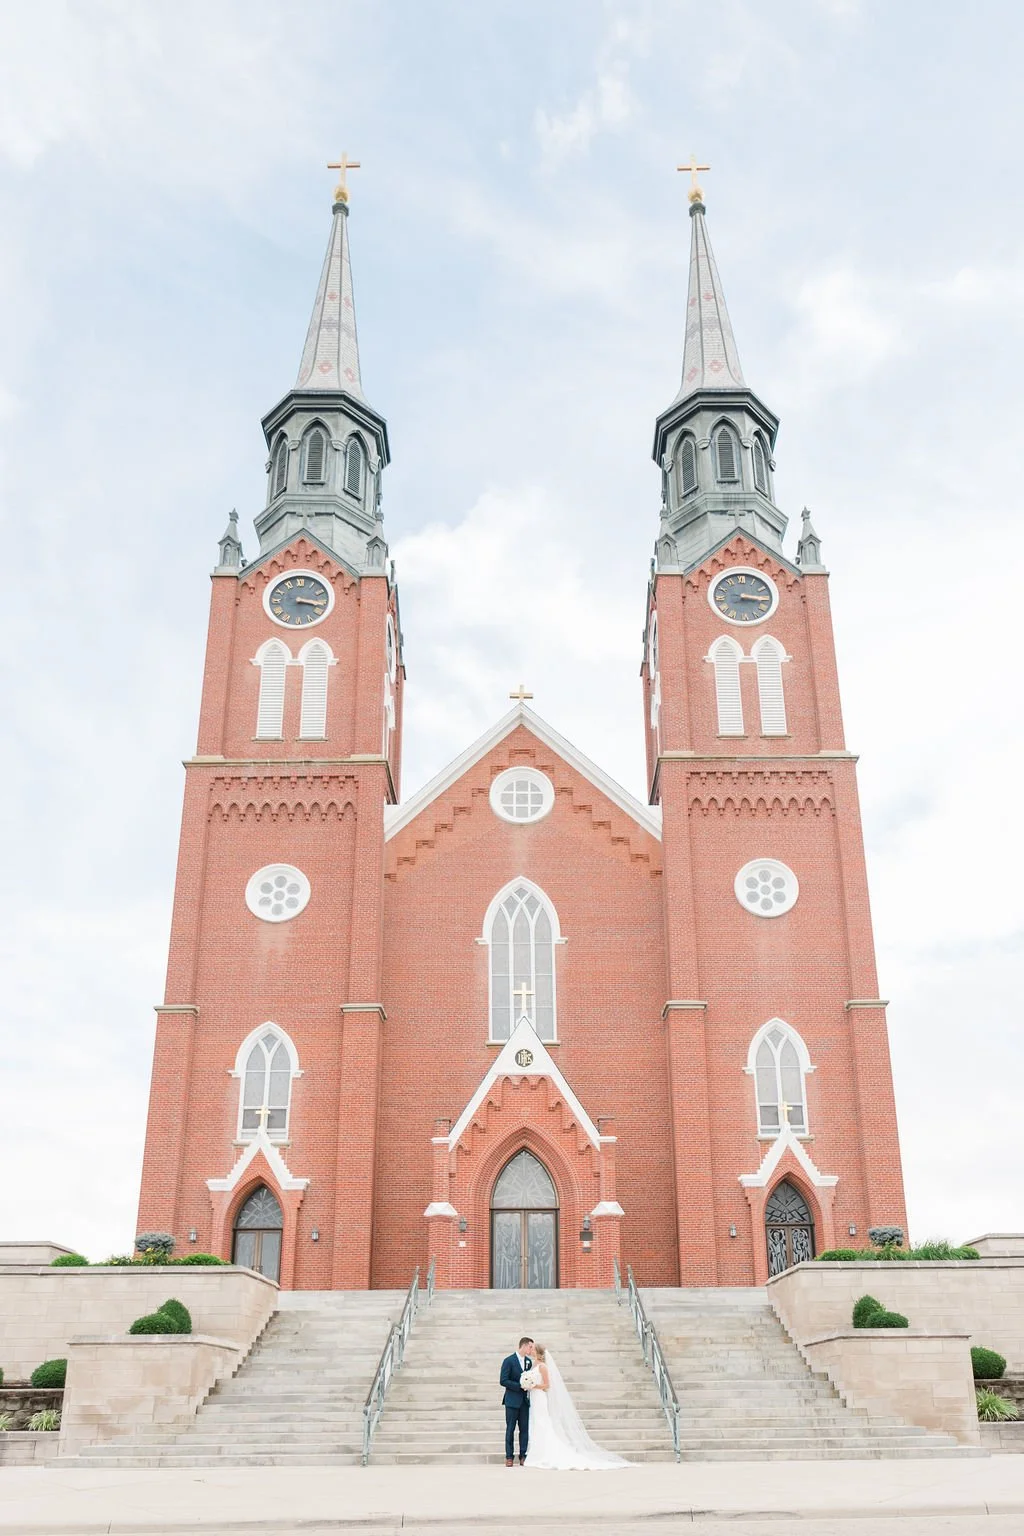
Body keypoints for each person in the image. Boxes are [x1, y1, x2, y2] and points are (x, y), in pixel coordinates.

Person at [519, 1343, 629, 1470]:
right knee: (536, 1423)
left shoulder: (543, 1366)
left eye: (532, 1348)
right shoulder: (534, 1364)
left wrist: (533, 1386)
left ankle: (545, 1453)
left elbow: (547, 1385)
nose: (530, 1350)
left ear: (537, 1351)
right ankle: (537, 1452)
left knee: (543, 1423)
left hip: (540, 1397)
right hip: (534, 1398)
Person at [499, 1335, 534, 1466]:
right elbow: (503, 1380)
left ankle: (523, 1456)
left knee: (524, 1429)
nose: (531, 1350)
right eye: (530, 1347)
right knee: (510, 1429)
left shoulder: (529, 1362)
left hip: (524, 1402)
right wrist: (519, 1385)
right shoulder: (508, 1361)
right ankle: (509, 1457)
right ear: (524, 1346)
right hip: (512, 1401)